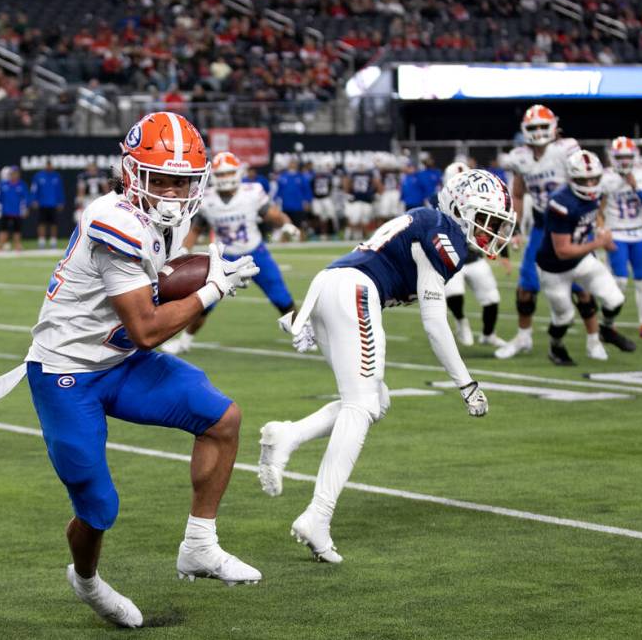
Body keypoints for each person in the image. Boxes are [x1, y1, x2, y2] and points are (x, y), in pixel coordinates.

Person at [0, 112, 262, 628]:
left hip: (119, 361)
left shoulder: (170, 219)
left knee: (222, 419)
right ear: (131, 173)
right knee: (99, 508)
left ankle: (200, 545)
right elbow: (146, 327)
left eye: (181, 181)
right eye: (159, 178)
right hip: (66, 373)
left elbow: (156, 289)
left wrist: (197, 276)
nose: (170, 192)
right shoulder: (113, 220)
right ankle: (87, 581)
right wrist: (212, 289)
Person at [257, 169, 514, 563]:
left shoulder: (429, 220)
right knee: (361, 405)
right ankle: (318, 515)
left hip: (335, 284)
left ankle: (288, 436)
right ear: (462, 209)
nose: (491, 231)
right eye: (487, 221)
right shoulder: (444, 236)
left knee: (375, 399)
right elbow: (433, 322)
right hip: (354, 289)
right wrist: (466, 384)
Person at [162, 151, 299, 355]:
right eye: (221, 174)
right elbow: (196, 228)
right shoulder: (207, 199)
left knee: (281, 298)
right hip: (223, 257)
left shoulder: (251, 193)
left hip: (254, 252)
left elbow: (273, 215)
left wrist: (287, 225)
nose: (225, 178)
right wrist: (183, 250)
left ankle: (301, 334)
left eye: (228, 173)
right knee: (204, 302)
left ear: (237, 173)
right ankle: (185, 342)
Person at [497, 105, 603, 360]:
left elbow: (586, 184)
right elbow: (519, 194)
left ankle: (593, 340)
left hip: (571, 225)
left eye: (543, 126)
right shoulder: (520, 157)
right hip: (542, 227)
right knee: (526, 286)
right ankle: (524, 338)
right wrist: (514, 229)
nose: (538, 132)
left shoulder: (567, 150)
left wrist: (592, 221)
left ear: (554, 127)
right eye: (533, 128)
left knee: (582, 285)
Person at [537, 150, 633, 365]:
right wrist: (598, 243)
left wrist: (601, 232)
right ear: (572, 178)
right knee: (564, 317)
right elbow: (562, 251)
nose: (590, 184)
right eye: (583, 179)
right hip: (554, 268)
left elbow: (594, 213)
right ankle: (556, 347)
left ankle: (606, 330)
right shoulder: (560, 203)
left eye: (594, 179)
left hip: (581, 259)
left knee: (615, 298)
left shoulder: (596, 193)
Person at [434, 162, 507, 347]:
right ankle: (461, 322)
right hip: (450, 258)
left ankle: (488, 334)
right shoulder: (438, 201)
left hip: (474, 257)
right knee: (454, 292)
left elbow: (492, 229)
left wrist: (500, 249)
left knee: (491, 297)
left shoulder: (479, 202)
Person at [601, 137, 642, 340]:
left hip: (639, 232)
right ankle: (608, 324)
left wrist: (636, 186)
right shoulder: (605, 177)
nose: (625, 161)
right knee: (620, 281)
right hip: (616, 232)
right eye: (621, 157)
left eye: (628, 157)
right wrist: (601, 230)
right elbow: (598, 207)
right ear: (613, 157)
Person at [0, 165, 30, 252]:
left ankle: (17, 246)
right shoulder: (4, 185)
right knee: (3, 230)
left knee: (17, 230)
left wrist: (26, 208)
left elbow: (26, 198)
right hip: (6, 211)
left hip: (17, 212)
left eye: (15, 173)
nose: (14, 175)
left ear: (18, 174)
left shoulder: (22, 185)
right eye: (12, 173)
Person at [31, 159, 64, 248]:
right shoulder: (38, 176)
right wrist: (34, 200)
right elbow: (34, 189)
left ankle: (53, 241)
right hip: (42, 204)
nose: (49, 167)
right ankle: (41, 241)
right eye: (47, 165)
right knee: (42, 223)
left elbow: (59, 190)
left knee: (54, 223)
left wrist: (60, 201)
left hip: (53, 204)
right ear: (45, 166)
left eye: (50, 165)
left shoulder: (56, 176)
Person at [275, 159, 309, 238]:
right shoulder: (283, 177)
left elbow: (306, 190)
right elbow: (279, 191)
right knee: (286, 224)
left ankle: (302, 240)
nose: (292, 165)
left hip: (298, 205)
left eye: (294, 164)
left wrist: (307, 201)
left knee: (299, 224)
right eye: (291, 163)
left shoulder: (301, 177)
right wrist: (276, 201)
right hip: (286, 205)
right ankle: (285, 241)